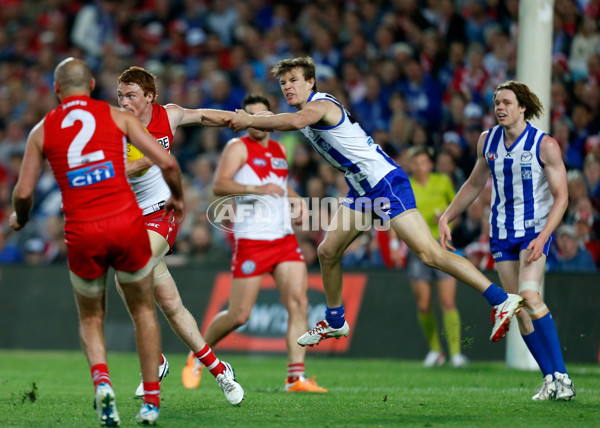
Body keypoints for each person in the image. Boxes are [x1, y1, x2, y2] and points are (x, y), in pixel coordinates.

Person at [227, 56, 523, 349]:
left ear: (311, 82)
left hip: (384, 184)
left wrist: (249, 120)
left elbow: (294, 121)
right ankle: (334, 319)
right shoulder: (301, 110)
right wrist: (189, 114)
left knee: (430, 254)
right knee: (327, 251)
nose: (288, 87)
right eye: (283, 83)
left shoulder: (320, 105)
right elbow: (259, 120)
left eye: (294, 81)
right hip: (361, 190)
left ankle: (500, 299)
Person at [9, 57, 185, 426]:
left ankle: (103, 383)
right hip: (125, 223)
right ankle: (151, 402)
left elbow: (24, 193)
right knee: (142, 311)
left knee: (91, 317)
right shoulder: (117, 117)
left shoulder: (41, 130)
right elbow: (167, 163)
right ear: (90, 85)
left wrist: (19, 219)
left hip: (82, 229)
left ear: (57, 90)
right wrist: (178, 196)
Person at [438, 80, 576, 401]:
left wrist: (544, 236)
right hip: (501, 233)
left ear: (523, 107)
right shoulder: (487, 142)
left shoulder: (545, 145)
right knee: (516, 308)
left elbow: (562, 197)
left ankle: (564, 377)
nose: (500, 107)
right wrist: (447, 217)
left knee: (528, 295)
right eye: (496, 102)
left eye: (507, 102)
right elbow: (474, 184)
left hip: (533, 232)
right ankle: (550, 379)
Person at [115, 66, 244, 405]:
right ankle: (219, 370)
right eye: (120, 96)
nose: (124, 101)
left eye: (131, 95)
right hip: (130, 219)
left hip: (162, 213)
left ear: (149, 97)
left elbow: (201, 115)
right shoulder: (114, 127)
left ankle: (155, 362)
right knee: (171, 305)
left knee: (130, 268)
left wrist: (234, 118)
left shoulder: (168, 115)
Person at [181, 94, 327, 393]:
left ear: (271, 117)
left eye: (262, 115)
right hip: (252, 240)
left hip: (283, 238)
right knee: (239, 315)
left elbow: (281, 185)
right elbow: (220, 185)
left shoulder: (277, 149)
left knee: (299, 303)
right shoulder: (238, 147)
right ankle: (197, 354)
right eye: (251, 115)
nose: (257, 120)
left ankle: (295, 377)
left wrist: (298, 203)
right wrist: (257, 188)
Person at [402, 146, 467, 368]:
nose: (420, 166)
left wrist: (447, 224)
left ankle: (456, 353)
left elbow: (456, 210)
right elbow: (396, 214)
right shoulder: (406, 185)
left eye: (423, 162)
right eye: (415, 162)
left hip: (443, 246)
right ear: (411, 165)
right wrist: (395, 242)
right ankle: (435, 351)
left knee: (448, 302)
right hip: (418, 247)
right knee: (423, 305)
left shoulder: (443, 182)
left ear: (430, 164)